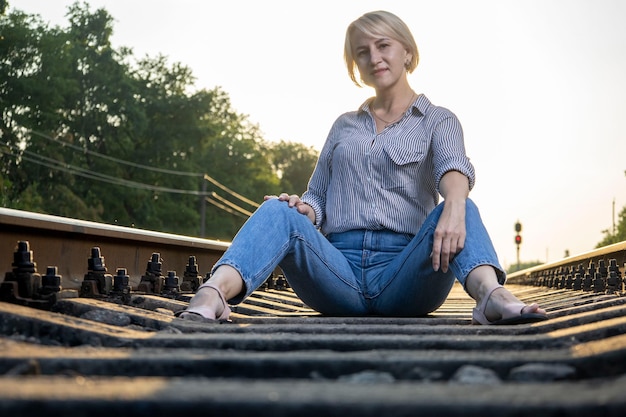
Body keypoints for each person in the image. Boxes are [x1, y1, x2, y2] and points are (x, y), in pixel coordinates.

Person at [177, 10, 548, 325]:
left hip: (407, 272)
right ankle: (212, 296)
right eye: (362, 52)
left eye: (383, 45)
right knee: (279, 208)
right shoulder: (343, 126)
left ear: (407, 51)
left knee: (461, 205)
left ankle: (491, 297)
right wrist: (305, 209)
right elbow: (317, 197)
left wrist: (453, 205)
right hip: (338, 272)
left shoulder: (438, 120)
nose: (374, 58)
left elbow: (453, 168)